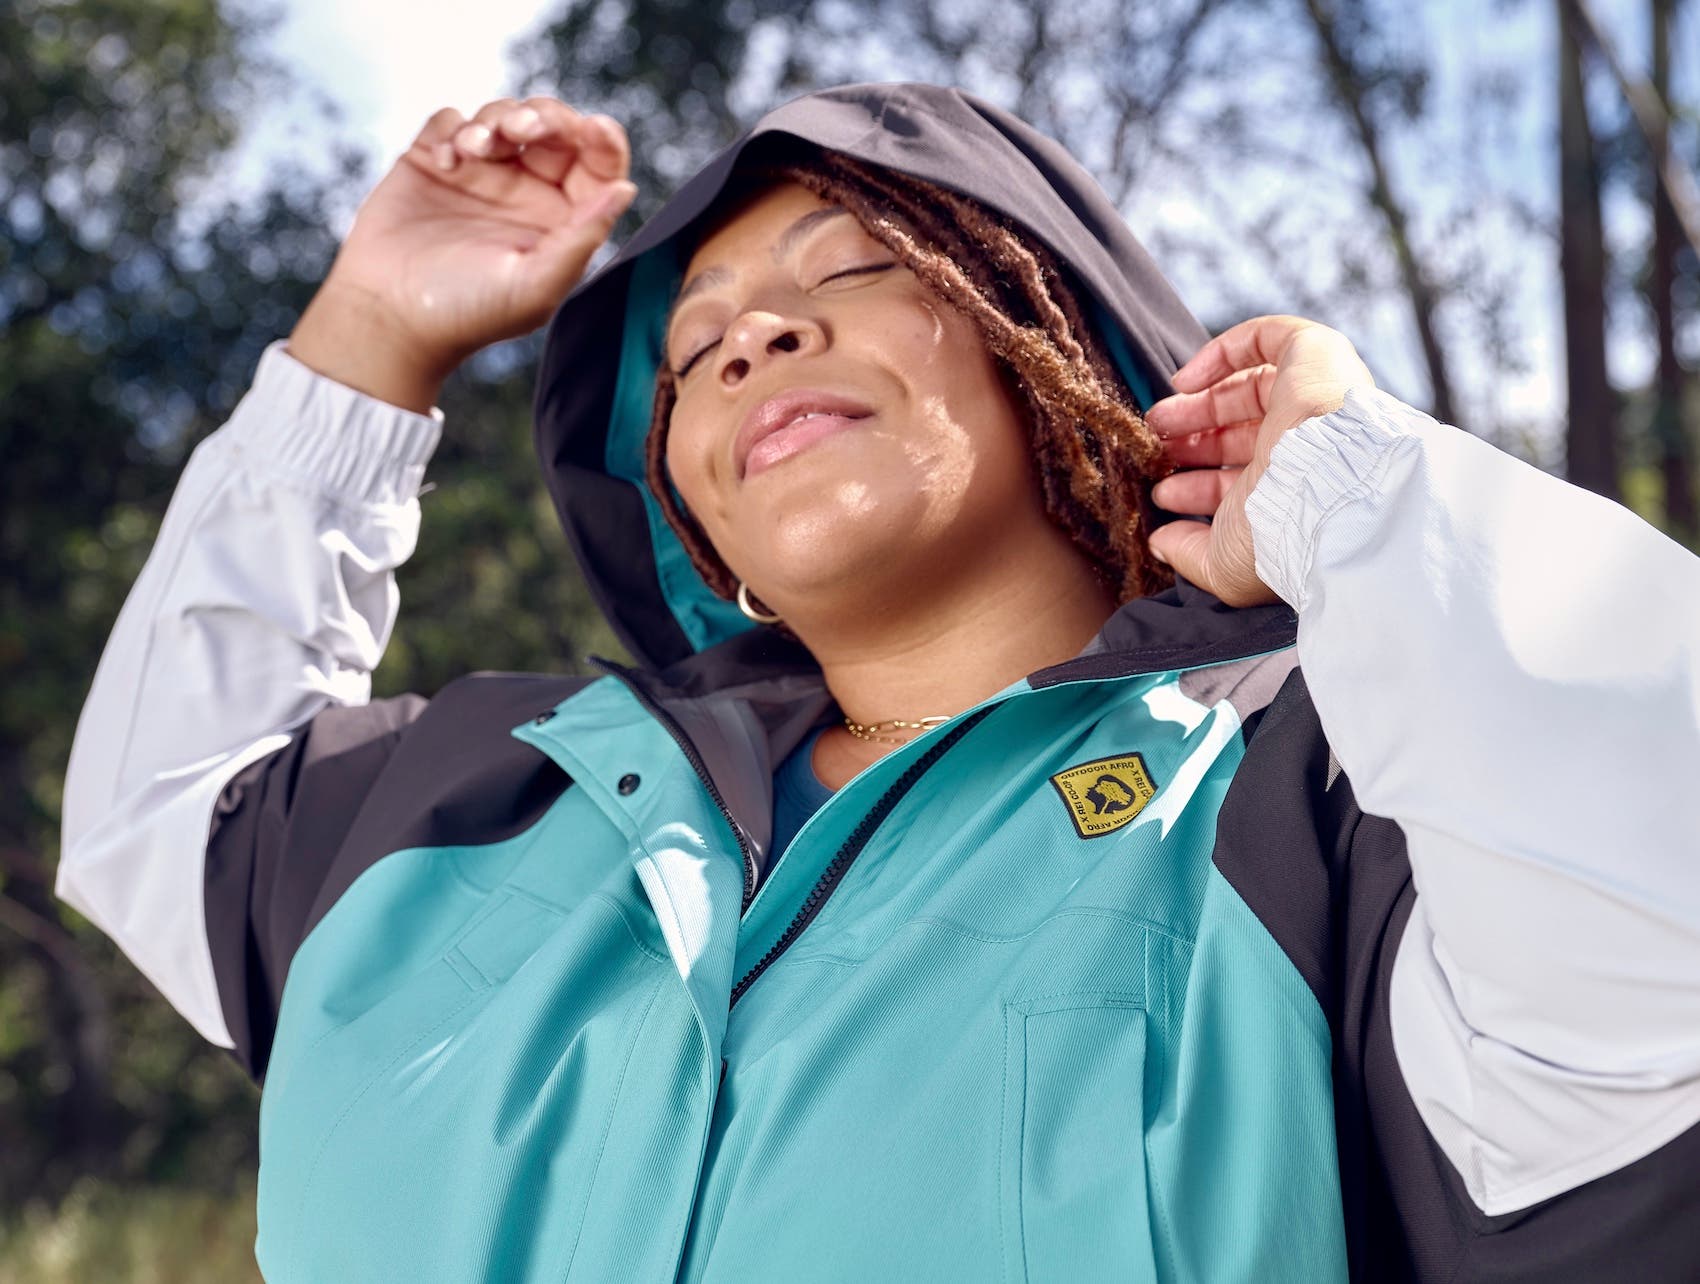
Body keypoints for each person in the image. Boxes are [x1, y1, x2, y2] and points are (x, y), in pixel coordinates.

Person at [58, 82, 1700, 1281]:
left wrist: (1359, 499)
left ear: (1047, 342)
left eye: (852, 275)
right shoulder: (474, 800)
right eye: (698, 352)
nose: (756, 339)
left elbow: (1657, 940)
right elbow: (158, 804)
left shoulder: (1322, 807)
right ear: (706, 535)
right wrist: (368, 334)